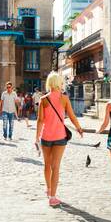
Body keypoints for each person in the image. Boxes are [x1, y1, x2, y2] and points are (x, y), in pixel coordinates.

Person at [35, 72, 85, 208]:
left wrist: (36, 138)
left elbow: (40, 121)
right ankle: (52, 197)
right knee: (55, 167)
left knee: (47, 165)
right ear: (59, 83)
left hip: (46, 137)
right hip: (60, 137)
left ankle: (48, 188)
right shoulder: (64, 99)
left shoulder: (43, 99)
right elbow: (72, 116)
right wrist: (79, 128)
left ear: (49, 83)